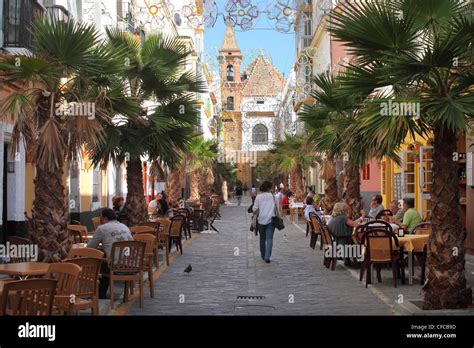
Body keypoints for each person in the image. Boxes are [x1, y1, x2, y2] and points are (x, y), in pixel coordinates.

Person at [87, 208, 133, 299]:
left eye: (100, 217)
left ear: (104, 218)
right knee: (106, 261)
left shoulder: (102, 228)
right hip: (131, 265)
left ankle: (100, 295)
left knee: (100, 264)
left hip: (116, 266)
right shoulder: (124, 226)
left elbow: (90, 247)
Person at [253, 181, 278, 263]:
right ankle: (267, 257)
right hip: (271, 220)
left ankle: (263, 255)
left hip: (260, 220)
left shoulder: (258, 197)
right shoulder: (274, 197)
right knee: (269, 238)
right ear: (269, 188)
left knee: (262, 239)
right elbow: (277, 208)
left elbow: (255, 209)